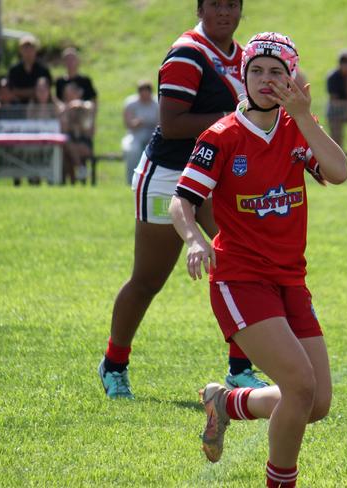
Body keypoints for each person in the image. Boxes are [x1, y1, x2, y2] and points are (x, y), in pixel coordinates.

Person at [169, 32, 347, 488]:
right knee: (300, 387)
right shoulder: (222, 135)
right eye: (256, 71)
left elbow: (338, 172)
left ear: (291, 77)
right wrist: (193, 239)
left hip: (290, 280)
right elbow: (181, 202)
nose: (265, 80)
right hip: (240, 279)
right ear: (243, 76)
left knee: (317, 402)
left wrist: (305, 118)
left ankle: (225, 403)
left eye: (276, 71)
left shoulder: (295, 128)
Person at [97, 0, 266, 400]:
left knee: (244, 263)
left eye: (232, 5)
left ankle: (240, 369)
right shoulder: (187, 53)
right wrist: (235, 116)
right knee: (148, 279)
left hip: (215, 175)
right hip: (169, 176)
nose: (225, 12)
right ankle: (114, 363)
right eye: (216, 5)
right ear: (201, 8)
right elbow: (171, 125)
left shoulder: (243, 55)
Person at [122, 80, 159, 184]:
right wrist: (136, 123)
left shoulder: (157, 104)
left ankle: (152, 180)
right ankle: (131, 180)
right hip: (135, 134)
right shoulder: (130, 103)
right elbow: (127, 124)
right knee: (132, 150)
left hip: (153, 134)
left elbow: (160, 123)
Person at [60, 82, 95, 184]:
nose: (69, 95)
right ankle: (80, 170)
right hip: (70, 143)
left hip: (84, 143)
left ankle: (77, 175)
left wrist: (74, 106)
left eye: (71, 92)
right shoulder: (64, 109)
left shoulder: (86, 106)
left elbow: (89, 108)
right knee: (67, 148)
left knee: (70, 148)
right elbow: (64, 129)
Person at [7, 35, 52, 104]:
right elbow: (11, 91)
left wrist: (21, 92)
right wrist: (34, 92)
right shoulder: (14, 70)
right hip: (17, 107)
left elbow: (46, 91)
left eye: (31, 48)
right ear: (20, 50)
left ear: (36, 50)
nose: (28, 51)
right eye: (25, 48)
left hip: (39, 107)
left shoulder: (43, 69)